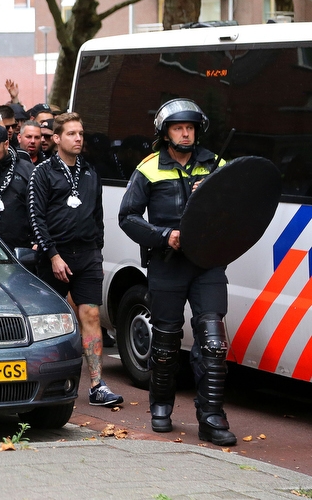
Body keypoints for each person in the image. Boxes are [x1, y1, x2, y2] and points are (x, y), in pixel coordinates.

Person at [118, 99, 235, 446]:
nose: (186, 133)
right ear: (165, 133)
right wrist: (165, 236)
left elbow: (237, 212)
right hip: (167, 265)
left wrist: (212, 199)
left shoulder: (217, 165)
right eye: (178, 127)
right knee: (166, 342)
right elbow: (128, 217)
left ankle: (212, 417)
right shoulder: (149, 168)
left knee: (213, 343)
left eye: (191, 127)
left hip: (207, 265)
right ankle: (161, 406)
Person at [28, 112, 122, 407]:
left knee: (91, 315)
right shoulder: (42, 172)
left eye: (80, 133)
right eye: (71, 133)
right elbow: (36, 218)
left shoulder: (91, 171)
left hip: (87, 254)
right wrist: (53, 255)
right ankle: (51, 383)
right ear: (56, 139)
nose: (78, 138)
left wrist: (99, 251)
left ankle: (96, 385)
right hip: (54, 255)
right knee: (52, 321)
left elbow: (97, 215)